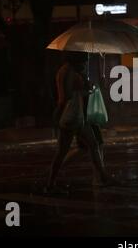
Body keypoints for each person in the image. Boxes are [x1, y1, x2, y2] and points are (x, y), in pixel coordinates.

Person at [46, 52, 113, 193]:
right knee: (62, 151)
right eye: (84, 60)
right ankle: (50, 183)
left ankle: (103, 177)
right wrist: (85, 91)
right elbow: (67, 96)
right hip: (71, 118)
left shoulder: (69, 70)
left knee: (93, 144)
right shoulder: (67, 72)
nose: (85, 63)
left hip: (77, 117)